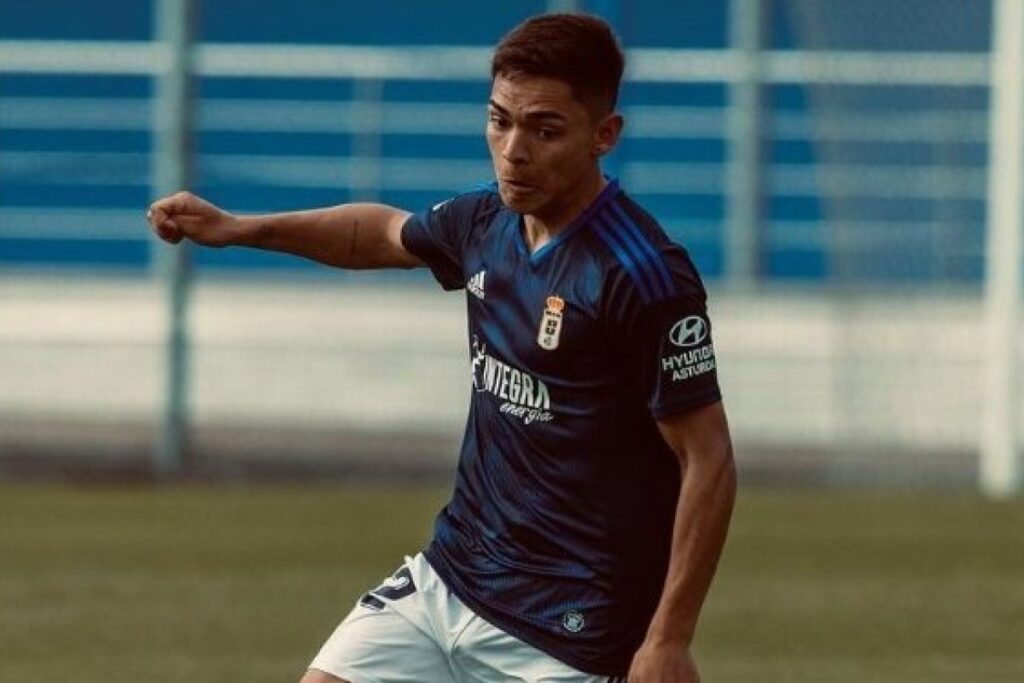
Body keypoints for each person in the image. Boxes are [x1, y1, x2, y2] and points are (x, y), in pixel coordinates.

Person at [147, 13, 736, 683]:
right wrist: (238, 227)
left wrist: (669, 636)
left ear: (605, 135)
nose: (513, 150)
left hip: (572, 629)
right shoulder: (487, 221)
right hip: (450, 580)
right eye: (499, 120)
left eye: (544, 130)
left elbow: (708, 457)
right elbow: (379, 234)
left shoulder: (643, 275)